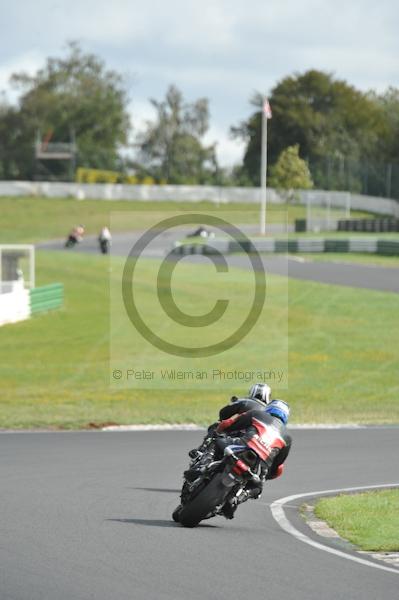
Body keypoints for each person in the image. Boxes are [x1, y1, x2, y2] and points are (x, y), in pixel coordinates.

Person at [186, 388, 292, 519]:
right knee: (257, 487)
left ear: (269, 409)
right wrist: (267, 475)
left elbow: (230, 424)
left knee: (217, 442)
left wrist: (219, 431)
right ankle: (236, 499)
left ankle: (203, 465)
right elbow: (278, 467)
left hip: (242, 446)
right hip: (260, 464)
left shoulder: (257, 414)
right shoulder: (287, 437)